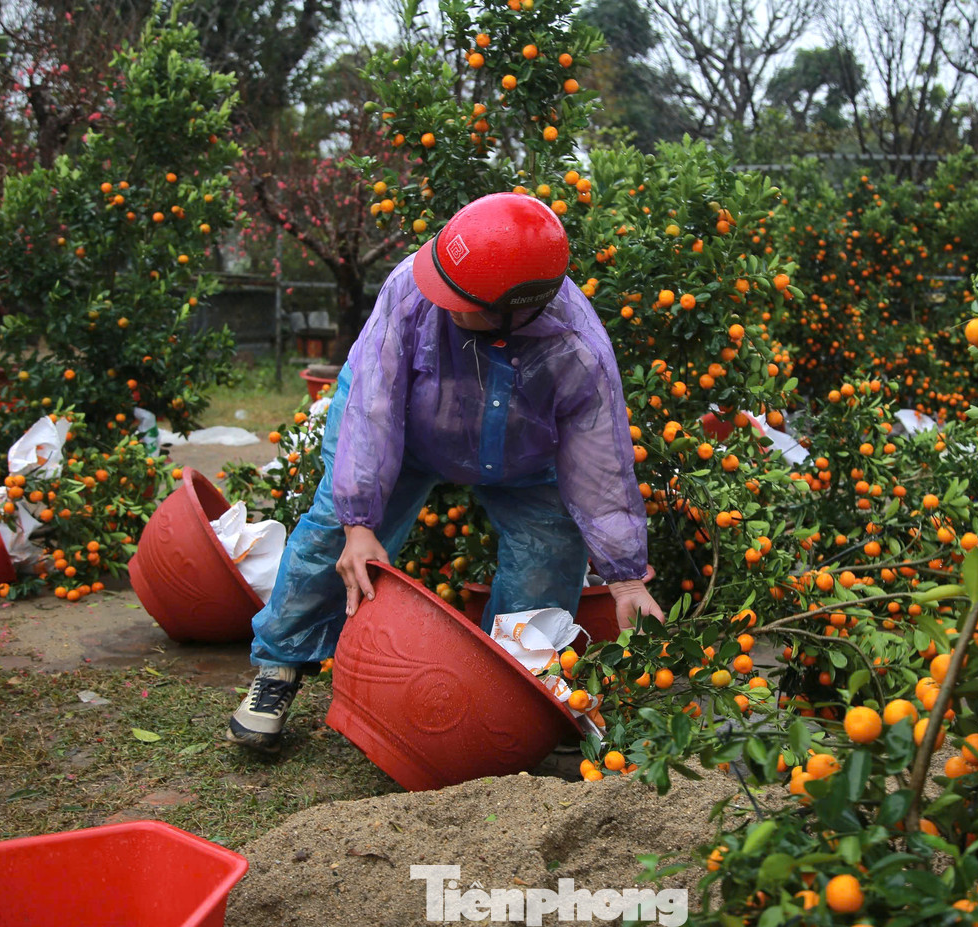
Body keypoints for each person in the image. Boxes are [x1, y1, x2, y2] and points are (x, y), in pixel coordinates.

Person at [227, 192, 663, 753]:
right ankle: (279, 668)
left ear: (513, 311)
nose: (439, 297)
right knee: (336, 530)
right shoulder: (412, 287)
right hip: (401, 428)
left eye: (460, 299)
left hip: (522, 454)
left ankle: (515, 698)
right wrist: (360, 522)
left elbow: (599, 460)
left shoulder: (577, 349)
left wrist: (626, 576)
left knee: (550, 552)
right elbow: (374, 405)